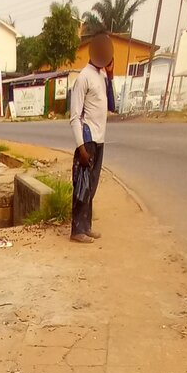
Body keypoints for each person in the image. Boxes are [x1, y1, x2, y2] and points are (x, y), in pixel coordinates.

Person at [69, 32, 116, 243]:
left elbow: (112, 106)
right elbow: (74, 117)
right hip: (87, 139)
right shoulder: (83, 78)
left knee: (91, 186)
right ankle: (77, 230)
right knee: (82, 186)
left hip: (99, 139)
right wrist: (81, 148)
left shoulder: (102, 76)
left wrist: (111, 76)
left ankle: (86, 227)